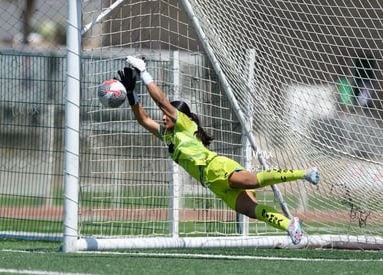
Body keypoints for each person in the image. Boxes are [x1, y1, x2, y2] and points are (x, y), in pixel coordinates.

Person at [116, 56, 319, 245]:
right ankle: (290, 225)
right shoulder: (167, 136)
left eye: (166, 116)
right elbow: (143, 120)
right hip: (213, 184)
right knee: (251, 210)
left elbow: (162, 102)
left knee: (251, 181)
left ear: (178, 116)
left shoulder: (184, 125)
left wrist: (143, 73)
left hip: (217, 167)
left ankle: (304, 173)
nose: (163, 118)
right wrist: (132, 93)